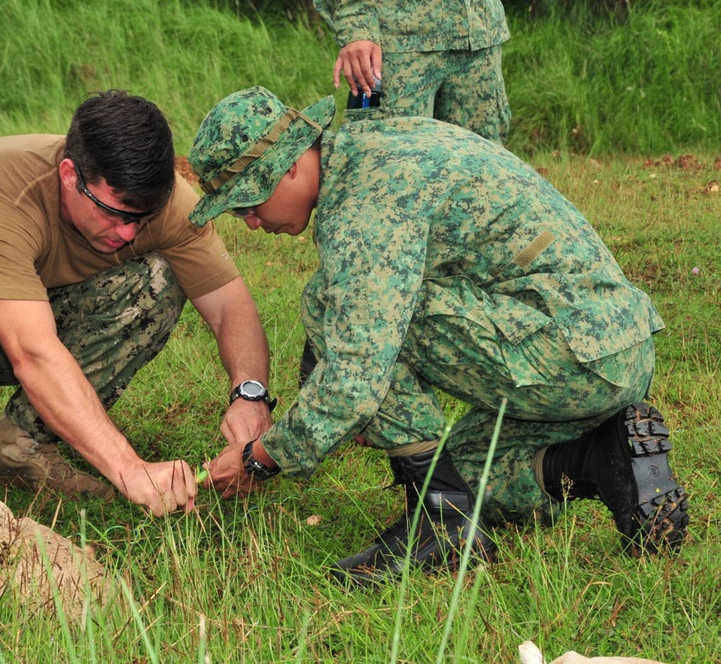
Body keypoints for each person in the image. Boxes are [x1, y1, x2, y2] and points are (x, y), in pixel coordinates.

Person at [188, 87, 689, 584]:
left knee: (330, 303)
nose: (251, 223)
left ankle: (440, 525)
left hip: (566, 350)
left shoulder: (366, 205)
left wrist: (261, 459)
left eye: (248, 203)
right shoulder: (376, 148)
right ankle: (603, 457)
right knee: (465, 473)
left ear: (292, 164)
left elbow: (356, 376)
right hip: (614, 350)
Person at [0, 90, 276, 517]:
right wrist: (130, 469)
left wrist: (250, 393)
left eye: (142, 218)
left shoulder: (162, 203)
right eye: (115, 214)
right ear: (69, 176)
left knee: (159, 275)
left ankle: (17, 449)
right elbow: (32, 352)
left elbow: (229, 305)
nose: (127, 233)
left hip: (24, 316)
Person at [313, 0, 511, 144]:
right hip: (397, 40)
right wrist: (357, 26)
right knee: (388, 167)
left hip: (479, 35)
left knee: (480, 168)